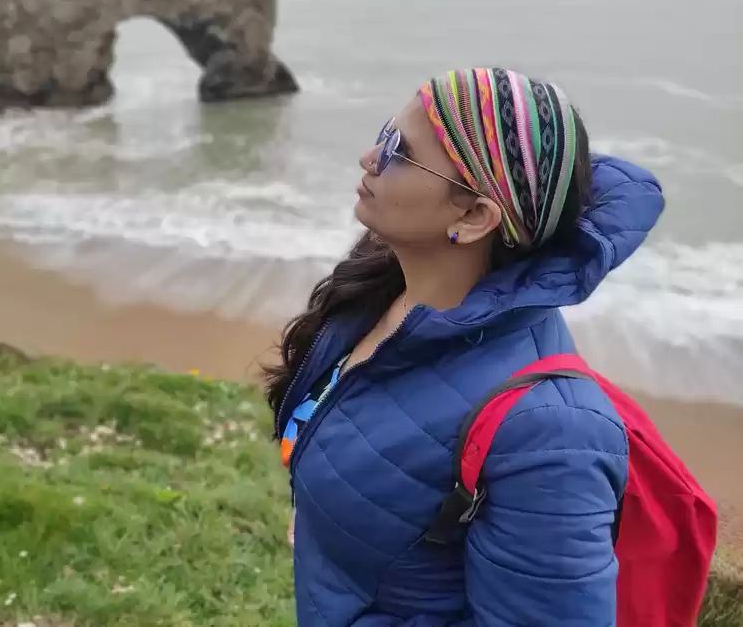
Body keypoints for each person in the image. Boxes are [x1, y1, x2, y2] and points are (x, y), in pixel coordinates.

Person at [266, 68, 665, 626]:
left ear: (475, 216)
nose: (369, 158)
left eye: (399, 151)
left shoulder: (553, 436)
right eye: (386, 131)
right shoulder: (382, 285)